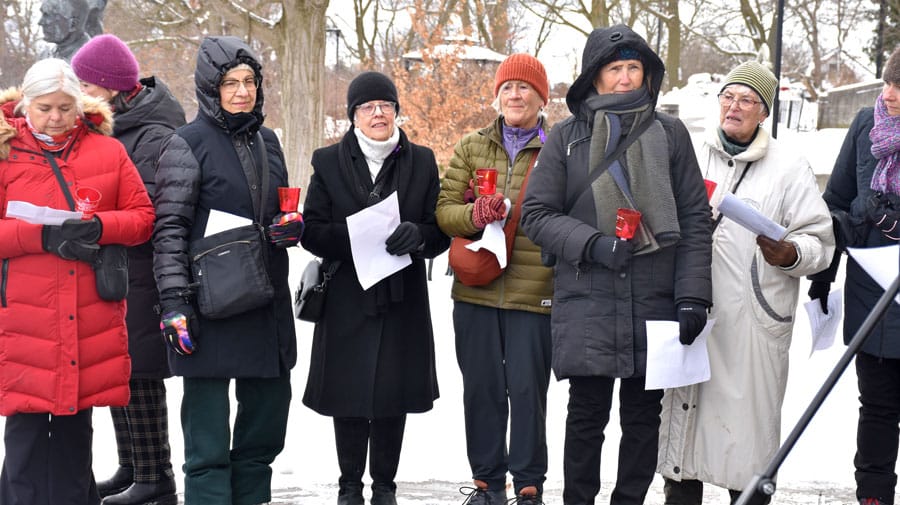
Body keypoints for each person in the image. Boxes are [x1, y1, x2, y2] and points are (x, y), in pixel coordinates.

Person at [520, 25, 713, 505]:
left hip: (655, 299)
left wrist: (692, 295)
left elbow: (693, 218)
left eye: (634, 68)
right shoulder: (567, 136)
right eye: (614, 69)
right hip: (587, 297)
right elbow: (537, 215)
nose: (626, 78)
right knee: (586, 417)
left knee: (644, 418)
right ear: (595, 78)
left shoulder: (670, 133)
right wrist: (594, 244)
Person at [656, 61, 835, 504]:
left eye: (747, 101)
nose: (734, 108)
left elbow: (819, 240)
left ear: (764, 112)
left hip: (753, 321)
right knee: (686, 430)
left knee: (747, 438)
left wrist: (790, 253)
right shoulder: (690, 152)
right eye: (728, 98)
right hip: (693, 305)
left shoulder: (789, 168)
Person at [152, 35, 302, 505]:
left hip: (265, 307)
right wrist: (175, 304)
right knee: (208, 450)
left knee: (261, 441)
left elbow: (276, 211)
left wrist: (287, 228)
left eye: (249, 81)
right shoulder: (186, 143)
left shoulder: (269, 142)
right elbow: (169, 230)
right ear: (209, 88)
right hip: (207, 310)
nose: (242, 92)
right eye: (230, 83)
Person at [0, 57, 155, 504]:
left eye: (66, 108)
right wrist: (40, 235)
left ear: (79, 104)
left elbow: (143, 218)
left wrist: (100, 227)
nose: (56, 118)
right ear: (25, 105)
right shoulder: (5, 152)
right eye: (45, 107)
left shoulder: (107, 151)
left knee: (74, 424)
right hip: (25, 314)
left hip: (87, 310)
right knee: (25, 428)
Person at [300, 71, 450, 505]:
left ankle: (384, 486)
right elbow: (311, 230)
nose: (378, 113)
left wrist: (418, 236)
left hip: (401, 298)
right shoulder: (328, 161)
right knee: (348, 394)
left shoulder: (421, 160)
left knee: (392, 394)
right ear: (353, 116)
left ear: (396, 111)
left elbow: (439, 234)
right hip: (348, 294)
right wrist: (356, 236)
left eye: (385, 105)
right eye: (367, 107)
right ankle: (349, 486)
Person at [72, 34, 186, 505]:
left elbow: (153, 206)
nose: (79, 94)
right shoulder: (117, 128)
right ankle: (132, 465)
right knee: (120, 372)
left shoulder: (150, 134)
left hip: (140, 271)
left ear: (110, 87)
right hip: (115, 268)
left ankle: (155, 474)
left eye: (85, 85)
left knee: (139, 374)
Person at [435, 53, 552, 505]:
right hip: (475, 290)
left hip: (535, 291)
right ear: (497, 95)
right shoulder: (471, 146)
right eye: (507, 87)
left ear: (542, 97)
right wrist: (472, 214)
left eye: (525, 88)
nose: (515, 95)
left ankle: (527, 484)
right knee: (481, 390)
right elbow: (443, 212)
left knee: (527, 392)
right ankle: (487, 484)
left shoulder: (557, 148)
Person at [808, 46, 900, 505]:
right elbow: (837, 201)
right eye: (887, 82)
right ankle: (874, 496)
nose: (890, 94)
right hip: (873, 292)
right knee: (877, 407)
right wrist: (825, 271)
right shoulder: (867, 125)